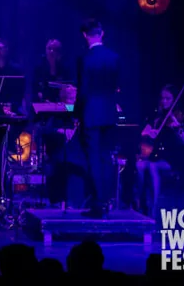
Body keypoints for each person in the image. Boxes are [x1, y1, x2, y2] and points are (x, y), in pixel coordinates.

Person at [75, 19, 120, 217]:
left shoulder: (85, 59)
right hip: (109, 113)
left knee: (93, 157)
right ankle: (107, 200)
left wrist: (76, 114)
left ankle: (99, 203)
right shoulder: (114, 57)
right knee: (106, 157)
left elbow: (83, 91)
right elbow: (116, 87)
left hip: (91, 113)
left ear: (85, 35)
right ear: (102, 33)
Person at [137, 84, 184, 219]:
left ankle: (154, 208)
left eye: (168, 99)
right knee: (139, 165)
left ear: (174, 100)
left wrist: (178, 129)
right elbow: (143, 133)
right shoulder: (158, 117)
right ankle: (141, 203)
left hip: (173, 158)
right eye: (162, 98)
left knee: (152, 167)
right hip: (157, 156)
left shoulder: (177, 117)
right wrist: (149, 133)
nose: (164, 101)